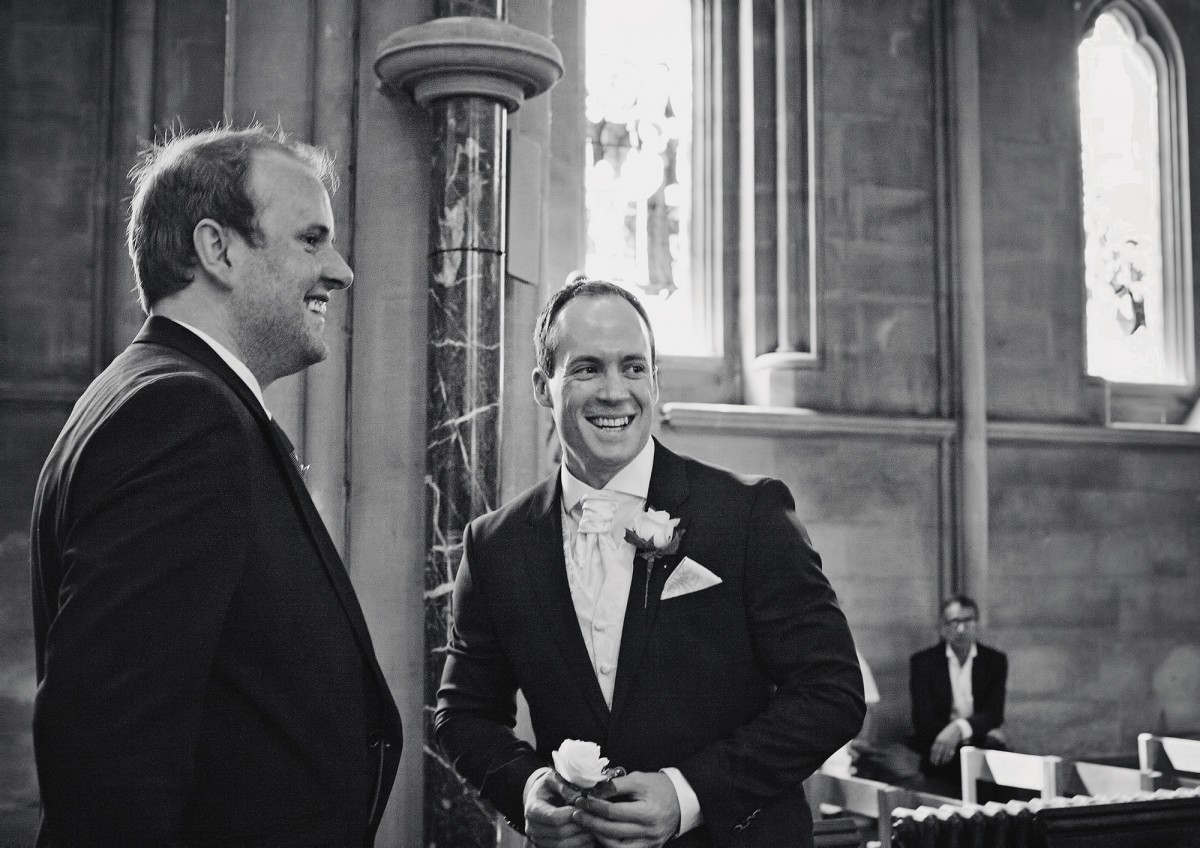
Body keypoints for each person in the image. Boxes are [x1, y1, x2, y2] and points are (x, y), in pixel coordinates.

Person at [30, 125, 402, 847]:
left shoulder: (157, 395)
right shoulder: (180, 417)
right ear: (218, 249)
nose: (343, 270)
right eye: (311, 239)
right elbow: (108, 761)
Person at [435, 278, 865, 847]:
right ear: (544, 385)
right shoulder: (495, 546)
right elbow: (463, 713)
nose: (616, 392)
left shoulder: (748, 514)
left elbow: (831, 690)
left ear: (655, 380)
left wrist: (689, 794)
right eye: (587, 368)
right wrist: (527, 787)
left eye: (634, 368)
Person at [909, 594, 1008, 795]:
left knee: (1000, 774)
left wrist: (959, 728)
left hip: (980, 744)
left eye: (967, 621)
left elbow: (994, 713)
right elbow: (923, 720)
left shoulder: (994, 661)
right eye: (954, 622)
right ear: (943, 627)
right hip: (939, 746)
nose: (961, 629)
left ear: (976, 624)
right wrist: (957, 734)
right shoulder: (923, 662)